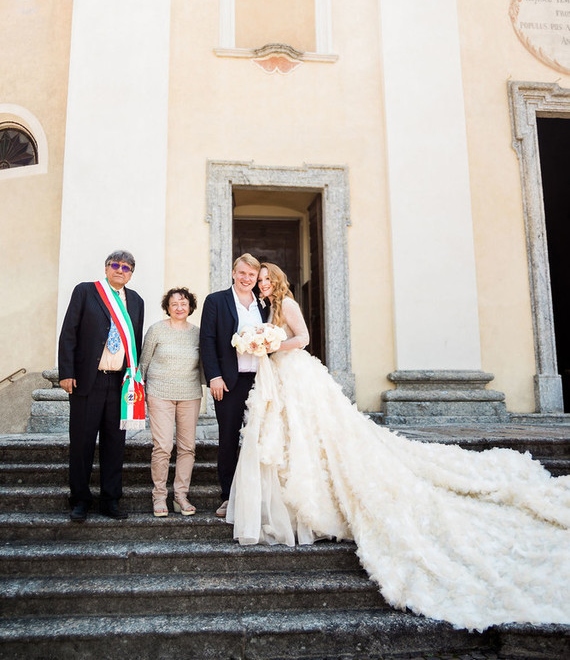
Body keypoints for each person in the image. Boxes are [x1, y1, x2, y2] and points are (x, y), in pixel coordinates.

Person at [227, 262, 570, 632]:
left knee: (319, 433)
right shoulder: (264, 309)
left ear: (276, 281)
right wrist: (264, 343)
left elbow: (305, 338)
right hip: (279, 376)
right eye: (258, 279)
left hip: (298, 373)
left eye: (265, 279)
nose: (261, 283)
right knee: (293, 436)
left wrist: (274, 342)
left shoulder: (288, 305)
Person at [58, 250, 145, 522]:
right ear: (107, 268)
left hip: (120, 384)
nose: (121, 270)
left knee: (115, 444)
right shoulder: (86, 291)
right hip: (88, 381)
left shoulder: (137, 301)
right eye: (116, 265)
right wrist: (66, 372)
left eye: (127, 267)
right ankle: (80, 500)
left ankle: (110, 499)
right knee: (82, 443)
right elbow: (69, 333)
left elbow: (135, 342)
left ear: (131, 273)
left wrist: (135, 379)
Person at [199, 253, 268, 517]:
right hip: (228, 382)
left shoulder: (263, 304)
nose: (247, 279)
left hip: (259, 381)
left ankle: (255, 494)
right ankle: (228, 496)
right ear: (233, 273)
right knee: (228, 438)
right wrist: (214, 376)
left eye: (252, 275)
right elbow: (207, 340)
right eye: (242, 273)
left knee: (258, 438)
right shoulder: (216, 300)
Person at [140, 287, 204, 517]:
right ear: (167, 307)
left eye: (184, 303)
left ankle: (180, 495)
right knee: (163, 446)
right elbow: (144, 363)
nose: (179, 307)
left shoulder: (197, 333)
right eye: (174, 303)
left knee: (188, 447)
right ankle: (159, 496)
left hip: (189, 393)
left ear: (190, 307)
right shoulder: (156, 330)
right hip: (159, 393)